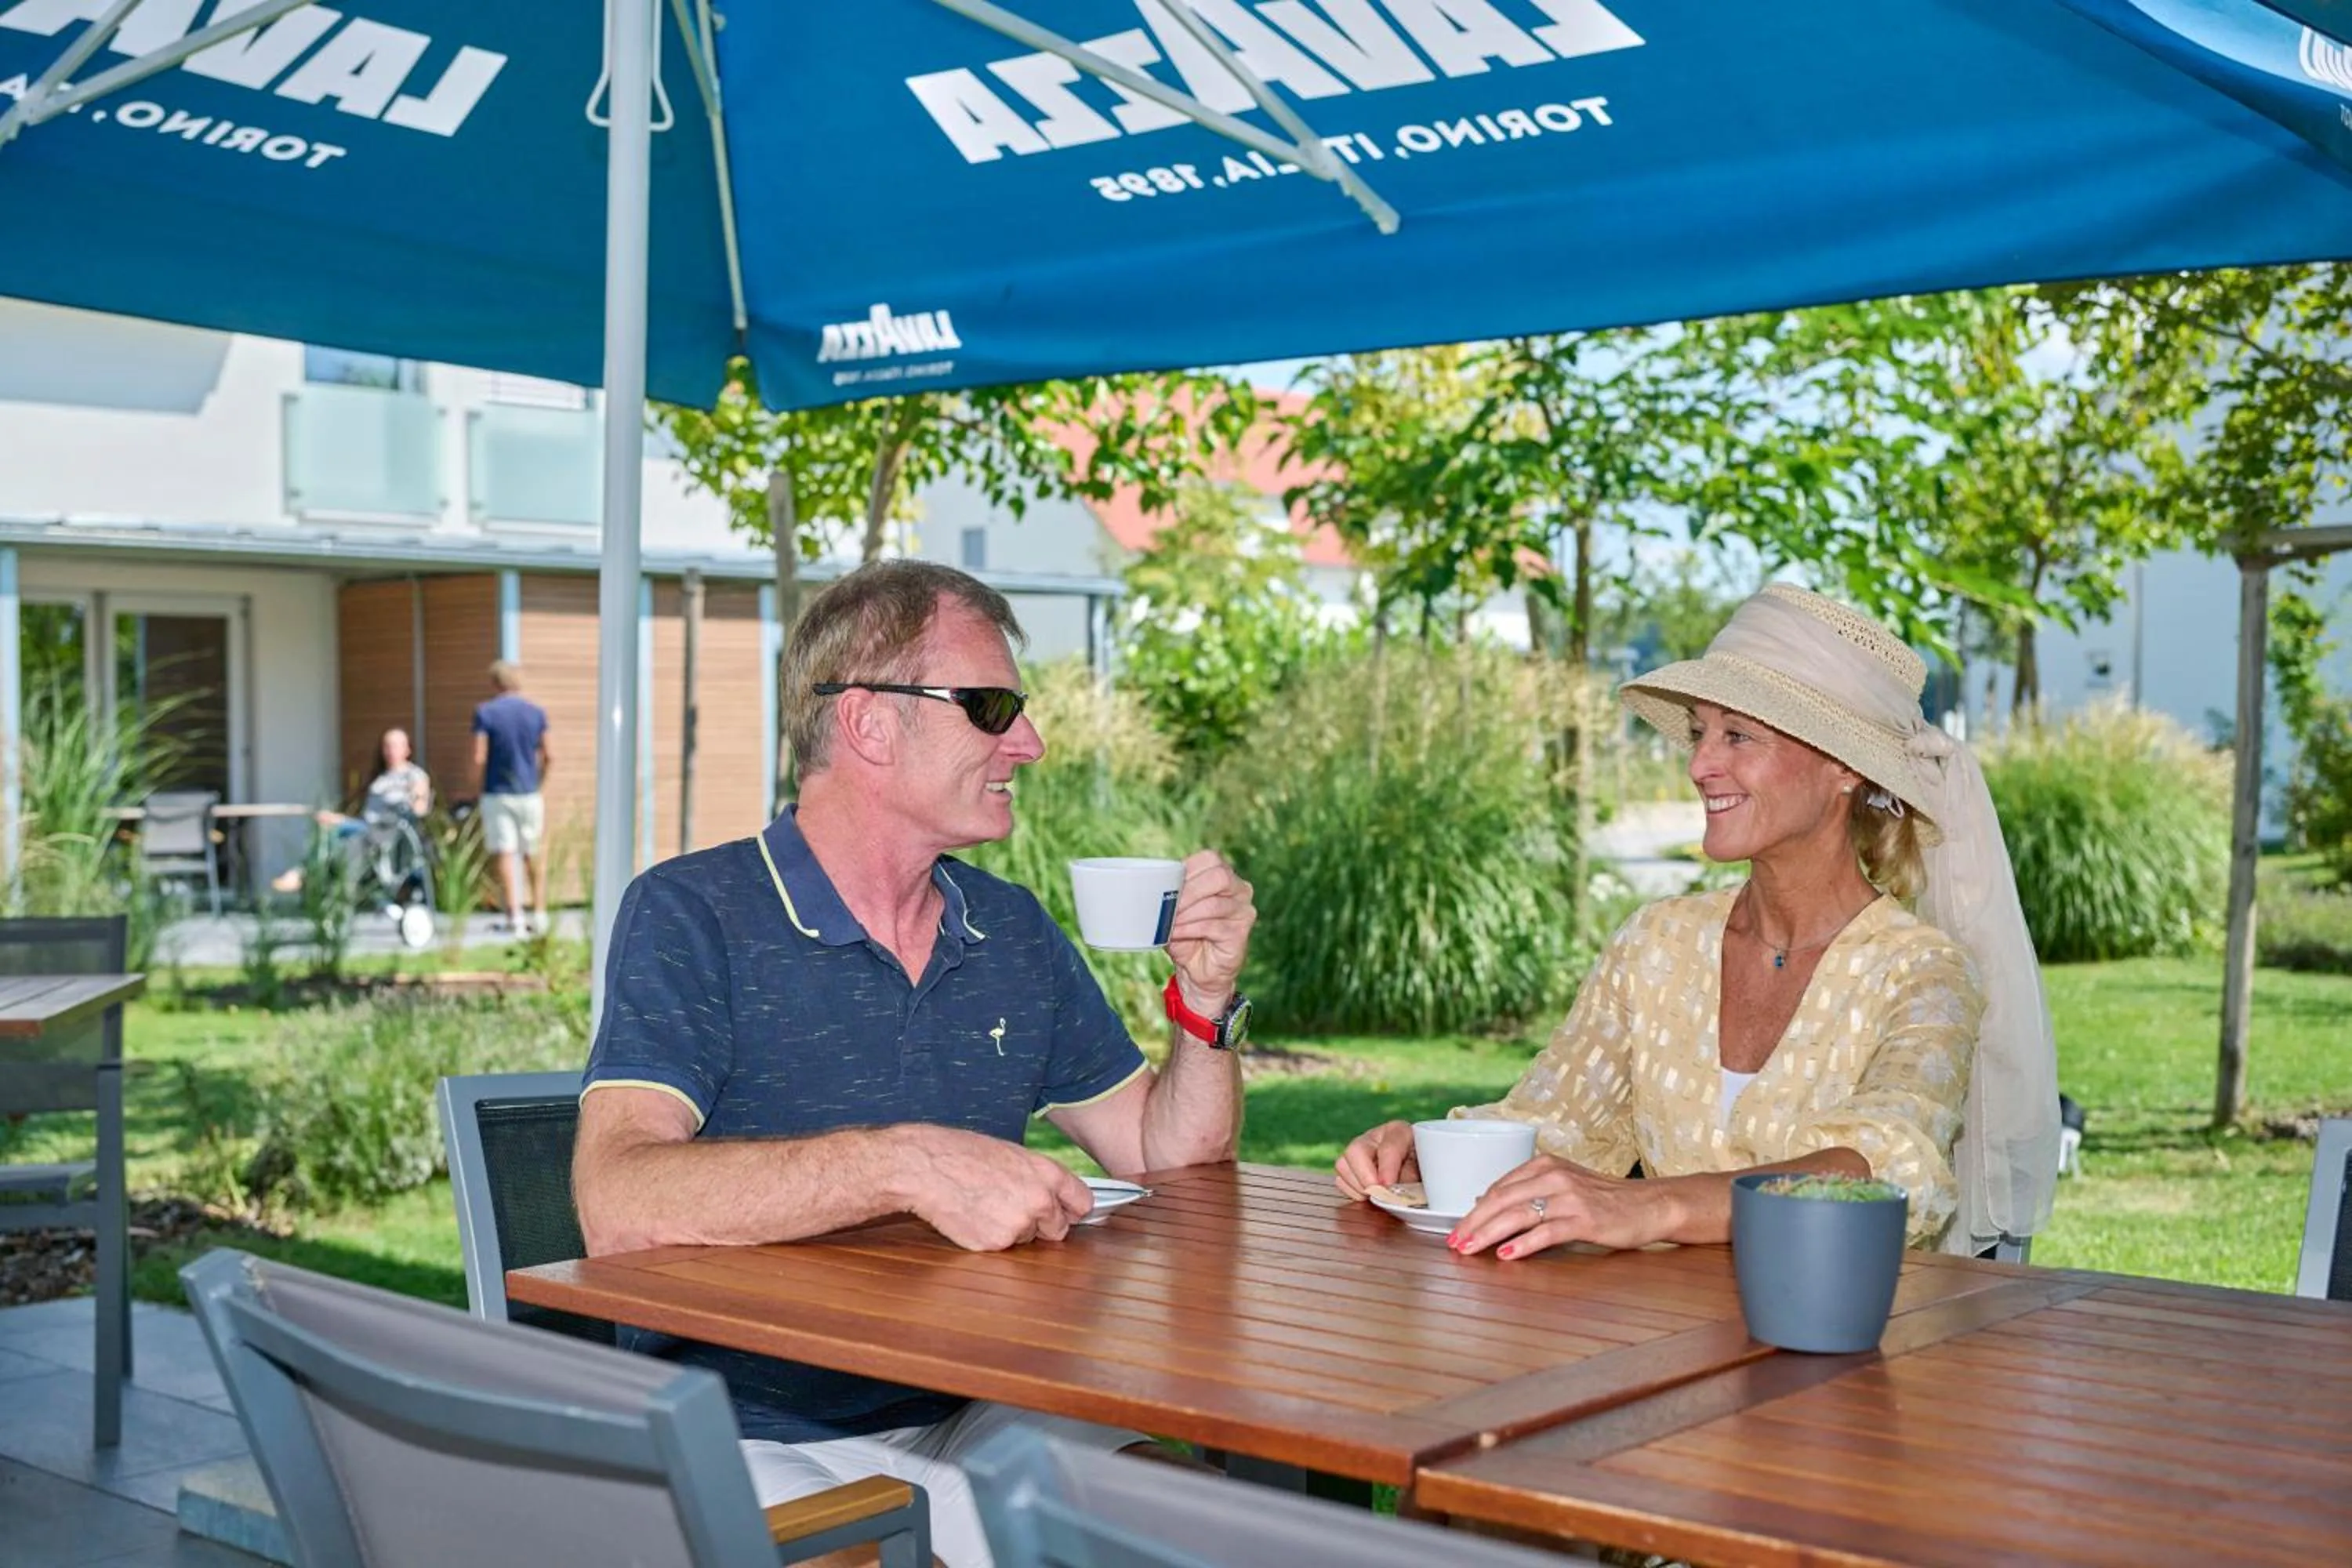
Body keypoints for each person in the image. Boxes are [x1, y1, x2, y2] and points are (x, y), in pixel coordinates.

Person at [572, 561, 1256, 1567]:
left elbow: (1166, 1155)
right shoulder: (695, 912)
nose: (1029, 741)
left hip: (979, 1404)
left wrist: (1203, 1002)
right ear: (870, 724)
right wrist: (902, 1162)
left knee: (1211, 1533)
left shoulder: (1009, 931)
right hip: (747, 1427)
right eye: (992, 706)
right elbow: (617, 1200)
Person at [1336, 584, 2059, 1259]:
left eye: (1738, 736)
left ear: (1845, 769)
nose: (1699, 765)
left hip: (1839, 1362)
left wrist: (1651, 1207)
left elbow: (1886, 1171)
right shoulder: (1657, 945)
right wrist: (1427, 1157)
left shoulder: (1922, 971)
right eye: (1699, 732)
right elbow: (1562, 1123)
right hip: (1659, 1348)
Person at [270, 728, 431, 894]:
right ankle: (310, 876)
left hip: (386, 830)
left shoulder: (414, 775)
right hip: (365, 824)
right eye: (387, 746)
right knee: (327, 827)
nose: (391, 751)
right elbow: (366, 815)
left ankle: (306, 876)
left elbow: (420, 808)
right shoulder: (381, 777)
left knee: (351, 839)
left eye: (396, 746)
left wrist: (416, 799)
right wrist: (338, 818)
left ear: (407, 749)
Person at [471, 660, 550, 935]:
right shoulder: (536, 713)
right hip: (529, 792)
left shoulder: (486, 713)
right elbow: (549, 755)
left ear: (494, 683)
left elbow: (480, 757)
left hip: (498, 792)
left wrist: (477, 787)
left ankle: (515, 916)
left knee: (505, 852)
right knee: (532, 851)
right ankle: (540, 912)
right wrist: (540, 783)